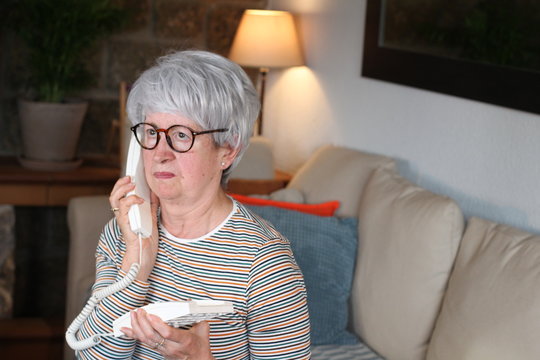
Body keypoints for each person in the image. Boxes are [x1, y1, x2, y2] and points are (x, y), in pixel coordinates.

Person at [76, 50, 311, 360]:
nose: (160, 153)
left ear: (228, 149)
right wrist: (137, 265)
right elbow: (91, 356)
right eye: (150, 132)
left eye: (181, 135)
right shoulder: (123, 233)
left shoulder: (265, 263)